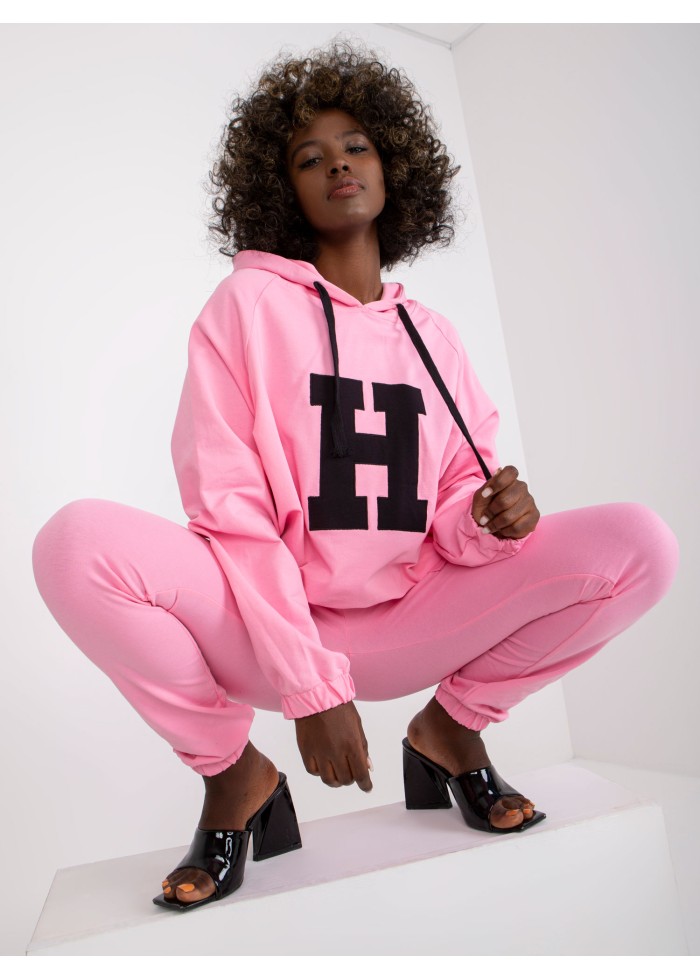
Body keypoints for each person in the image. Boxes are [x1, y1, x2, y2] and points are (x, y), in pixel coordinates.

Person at [31, 40, 679, 914]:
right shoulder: (244, 309)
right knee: (75, 545)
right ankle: (232, 775)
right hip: (267, 626)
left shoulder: (434, 337)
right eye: (309, 157)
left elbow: (455, 501)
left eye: (357, 146)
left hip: (413, 617)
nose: (338, 163)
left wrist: (488, 517)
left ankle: (452, 729)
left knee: (641, 544)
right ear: (280, 191)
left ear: (392, 167)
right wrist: (308, 684)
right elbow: (231, 512)